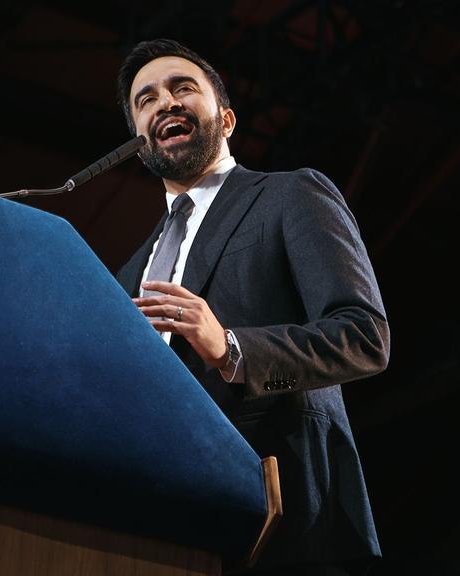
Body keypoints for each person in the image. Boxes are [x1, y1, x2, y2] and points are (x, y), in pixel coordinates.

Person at [115, 39, 390, 575]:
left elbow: (364, 337)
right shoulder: (129, 274)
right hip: (161, 525)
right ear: (140, 144)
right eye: (146, 100)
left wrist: (232, 348)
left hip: (287, 514)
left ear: (226, 119)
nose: (165, 102)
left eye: (183, 88)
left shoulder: (292, 195)